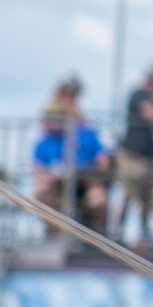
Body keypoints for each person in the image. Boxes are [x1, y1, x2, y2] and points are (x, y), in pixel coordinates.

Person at [24, 77, 106, 243]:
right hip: (57, 186)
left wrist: (93, 174)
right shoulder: (43, 143)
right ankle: (54, 233)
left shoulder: (85, 134)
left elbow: (103, 160)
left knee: (98, 199)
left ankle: (96, 238)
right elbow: (36, 167)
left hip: (83, 184)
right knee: (40, 191)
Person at [113, 62, 153, 237]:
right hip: (132, 157)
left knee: (147, 199)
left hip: (146, 157)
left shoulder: (149, 97)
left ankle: (143, 236)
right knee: (129, 194)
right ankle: (118, 234)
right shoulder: (140, 94)